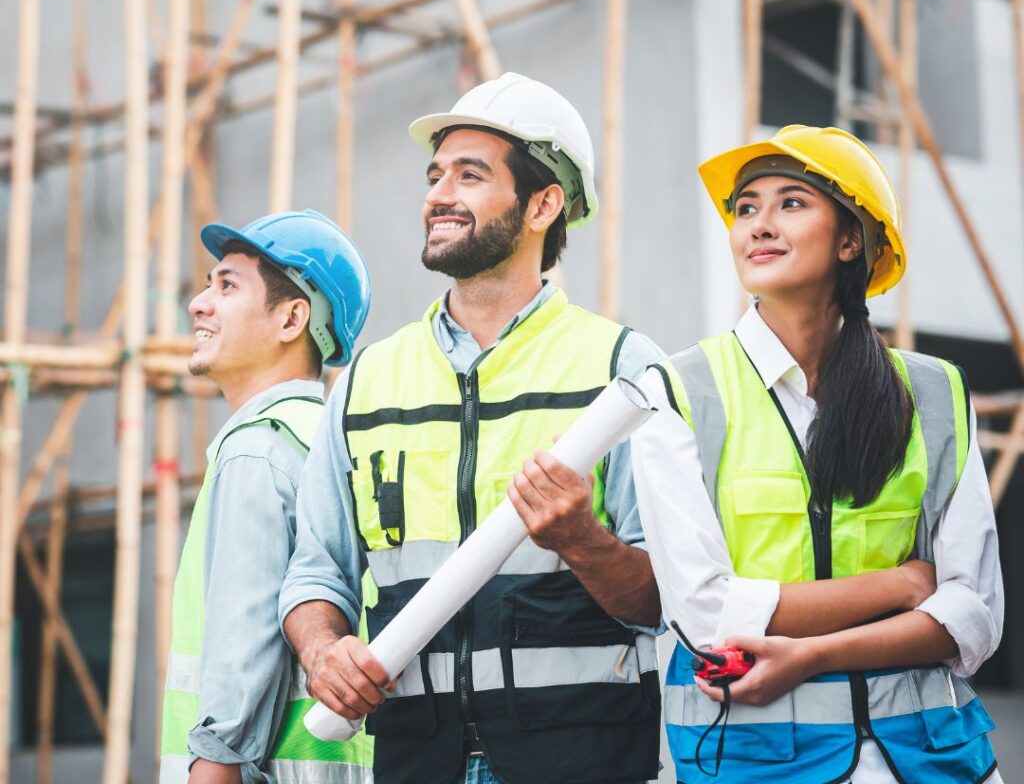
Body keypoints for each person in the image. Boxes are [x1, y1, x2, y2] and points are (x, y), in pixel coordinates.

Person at [279, 72, 663, 784]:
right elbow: (315, 572)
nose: (438, 195)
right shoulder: (367, 382)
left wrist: (582, 540)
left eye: (470, 175)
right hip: (416, 759)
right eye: (435, 175)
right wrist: (323, 650)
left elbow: (665, 599)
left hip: (583, 759)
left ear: (544, 203)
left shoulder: (622, 372)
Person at [632, 125, 1004, 784]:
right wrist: (902, 586)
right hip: (757, 762)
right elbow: (707, 615)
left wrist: (811, 654)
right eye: (746, 208)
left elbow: (973, 615)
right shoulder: (678, 391)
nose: (759, 224)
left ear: (850, 239)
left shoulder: (935, 392)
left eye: (791, 203)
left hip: (930, 760)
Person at [160, 209, 373, 784]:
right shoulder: (328, 441)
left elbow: (242, 640)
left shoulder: (258, 448)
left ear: (291, 319)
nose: (198, 304)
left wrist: (212, 766)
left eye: (227, 285)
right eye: (208, 284)